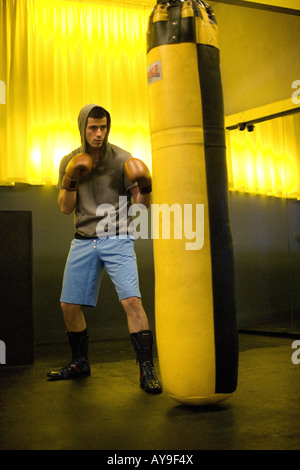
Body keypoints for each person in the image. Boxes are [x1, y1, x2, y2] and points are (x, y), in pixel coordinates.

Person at [47, 104, 162, 394]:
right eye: (93, 128)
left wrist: (145, 188)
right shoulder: (68, 160)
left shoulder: (123, 159)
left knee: (131, 302)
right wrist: (71, 178)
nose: (99, 134)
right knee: (68, 305)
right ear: (83, 128)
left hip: (117, 236)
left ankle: (147, 369)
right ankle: (79, 363)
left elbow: (142, 208)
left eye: (103, 128)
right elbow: (64, 208)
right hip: (84, 238)